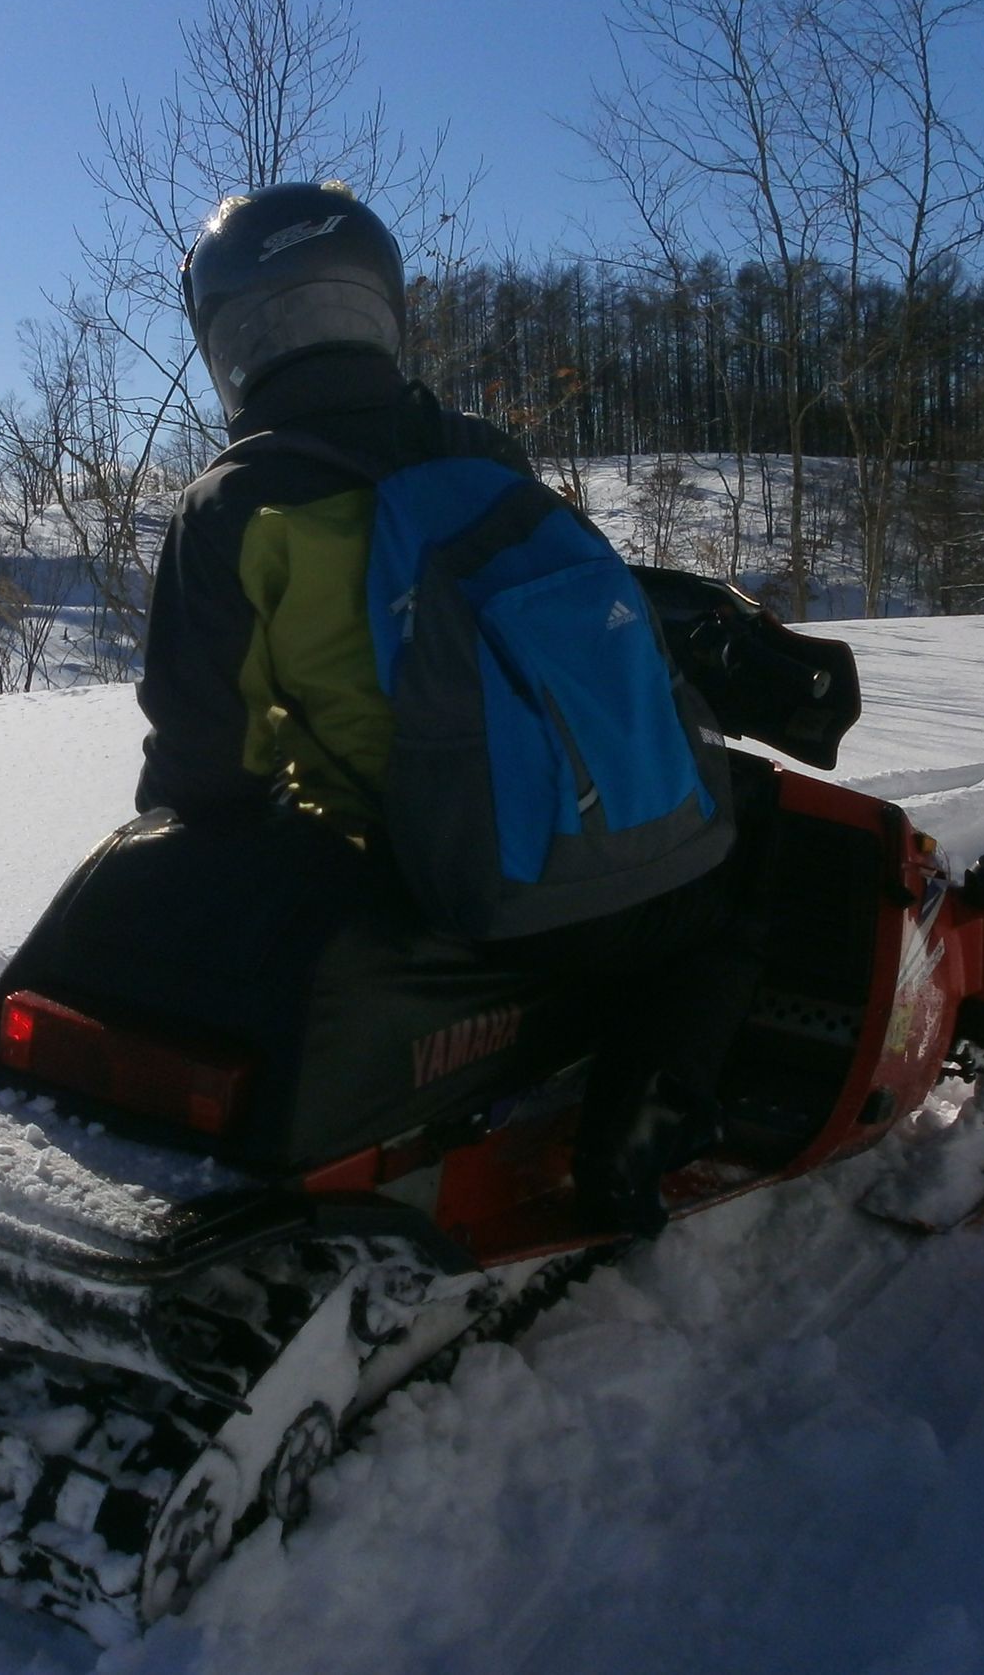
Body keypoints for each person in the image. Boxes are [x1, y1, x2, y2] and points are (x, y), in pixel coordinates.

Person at [134, 180, 760, 1232]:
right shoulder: (484, 457)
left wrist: (176, 878)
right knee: (741, 854)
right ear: (379, 308)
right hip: (538, 866)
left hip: (396, 877)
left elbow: (205, 763)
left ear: (230, 344)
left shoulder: (232, 506)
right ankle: (640, 1134)